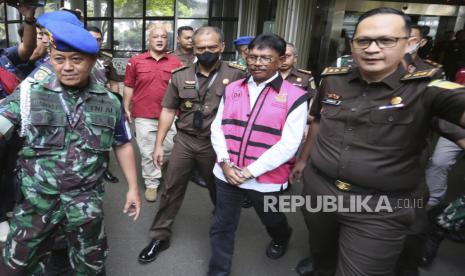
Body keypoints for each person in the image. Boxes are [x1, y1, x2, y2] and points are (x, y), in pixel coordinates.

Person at [292, 7, 465, 275]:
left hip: (379, 207)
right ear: (353, 44)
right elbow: (317, 121)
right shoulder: (333, 81)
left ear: (409, 44)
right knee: (322, 258)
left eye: (385, 40)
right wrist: (303, 160)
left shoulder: (427, 88)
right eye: (364, 41)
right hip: (320, 192)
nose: (372, 48)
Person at [0, 16, 141, 275]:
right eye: (59, 59)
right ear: (50, 58)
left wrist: (133, 188)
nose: (67, 67)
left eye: (76, 59)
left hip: (85, 206)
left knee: (91, 268)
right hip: (36, 203)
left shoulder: (109, 102)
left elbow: (122, 144)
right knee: (16, 268)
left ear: (92, 60)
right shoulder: (30, 94)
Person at [137, 26, 246, 264]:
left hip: (217, 146)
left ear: (222, 47)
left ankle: (221, 234)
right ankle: (160, 235)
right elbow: (167, 110)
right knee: (171, 188)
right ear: (193, 48)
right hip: (185, 141)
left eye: (212, 47)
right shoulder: (181, 74)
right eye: (200, 48)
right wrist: (158, 145)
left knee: (221, 192)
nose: (206, 52)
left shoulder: (237, 75)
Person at [208, 33, 308, 275]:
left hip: (265, 178)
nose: (257, 63)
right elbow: (217, 127)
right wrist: (225, 163)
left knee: (271, 219)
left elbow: (289, 144)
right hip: (227, 173)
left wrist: (249, 172)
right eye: (253, 57)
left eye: (266, 58)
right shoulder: (233, 88)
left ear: (280, 59)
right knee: (222, 226)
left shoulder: (295, 96)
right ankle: (218, 271)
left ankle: (282, 237)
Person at [124, 27, 182, 202]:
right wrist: (126, 106)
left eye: (163, 37)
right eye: (155, 36)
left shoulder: (176, 62)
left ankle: (160, 170)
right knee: (148, 151)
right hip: (143, 114)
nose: (159, 39)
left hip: (171, 114)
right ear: (149, 39)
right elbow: (129, 85)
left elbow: (181, 90)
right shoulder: (136, 61)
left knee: (170, 148)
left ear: (167, 40)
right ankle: (152, 183)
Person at [0, 2, 37, 245]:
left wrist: (29, 18)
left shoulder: (4, 56)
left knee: (10, 167)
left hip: (10, 122)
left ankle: (8, 208)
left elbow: (28, 48)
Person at [88, 25, 122, 184]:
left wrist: (117, 105)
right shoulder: (76, 56)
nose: (96, 42)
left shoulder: (107, 58)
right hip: (78, 103)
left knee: (103, 139)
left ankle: (104, 169)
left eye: (99, 39)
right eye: (91, 39)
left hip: (101, 105)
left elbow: (114, 83)